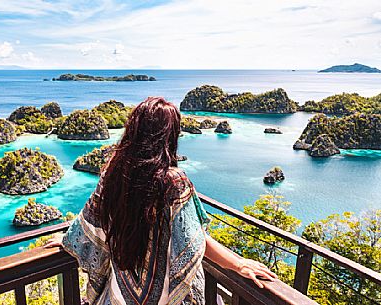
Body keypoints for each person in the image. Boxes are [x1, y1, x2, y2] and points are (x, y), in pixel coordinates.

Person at [46, 97, 277, 305]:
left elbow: (90, 220)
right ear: (169, 135)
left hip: (118, 294)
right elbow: (194, 239)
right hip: (166, 297)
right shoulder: (174, 182)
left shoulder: (114, 173)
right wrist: (237, 264)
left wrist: (67, 241)